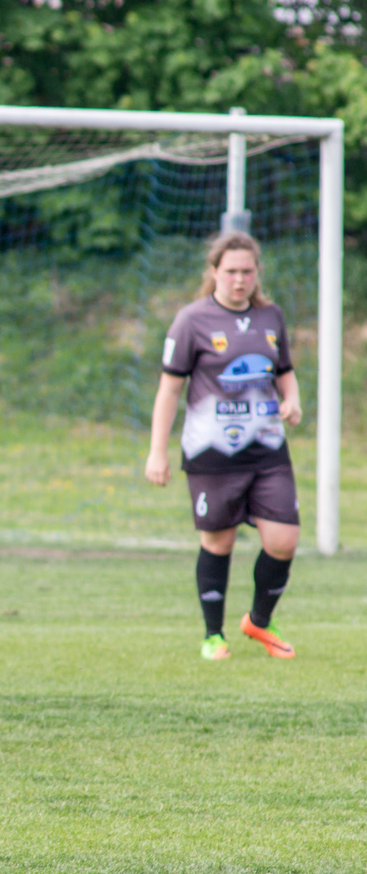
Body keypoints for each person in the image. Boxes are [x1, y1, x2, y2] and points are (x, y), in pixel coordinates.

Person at [146, 231, 302, 661]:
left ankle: (259, 621)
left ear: (257, 273)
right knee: (218, 542)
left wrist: (292, 400)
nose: (239, 279)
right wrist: (157, 451)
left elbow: (284, 370)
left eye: (247, 271)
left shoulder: (271, 317)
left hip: (267, 448)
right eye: (231, 271)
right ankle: (213, 635)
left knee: (284, 541)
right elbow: (169, 391)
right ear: (214, 271)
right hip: (212, 451)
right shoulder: (191, 320)